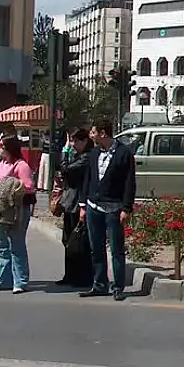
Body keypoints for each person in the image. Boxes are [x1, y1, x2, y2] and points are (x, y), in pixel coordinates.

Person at [79, 119, 137, 301]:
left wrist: (126, 208)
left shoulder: (123, 153)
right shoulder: (94, 153)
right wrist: (83, 205)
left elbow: (130, 183)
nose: (91, 135)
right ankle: (99, 284)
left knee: (116, 249)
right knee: (96, 248)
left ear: (103, 133)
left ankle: (118, 286)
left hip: (114, 209)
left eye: (93, 132)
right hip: (93, 207)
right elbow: (87, 179)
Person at [0, 136, 35, 294]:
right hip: (1, 209)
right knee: (2, 245)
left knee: (17, 244)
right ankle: (3, 279)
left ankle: (20, 281)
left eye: (2, 145)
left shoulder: (21, 165)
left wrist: (12, 185)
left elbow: (29, 186)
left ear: (10, 148)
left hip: (17, 210)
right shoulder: (2, 164)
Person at [56, 128, 94, 287]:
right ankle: (69, 275)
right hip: (70, 201)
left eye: (76, 141)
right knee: (68, 240)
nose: (73, 145)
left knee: (78, 241)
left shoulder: (87, 157)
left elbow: (66, 169)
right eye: (72, 141)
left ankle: (82, 276)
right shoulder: (79, 156)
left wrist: (65, 151)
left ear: (84, 141)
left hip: (78, 202)